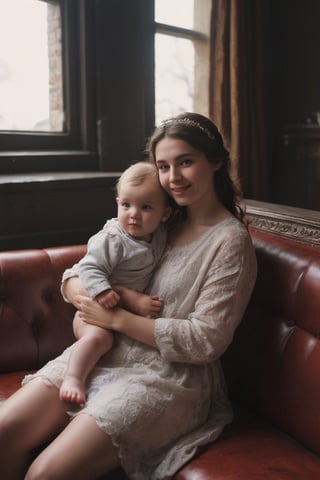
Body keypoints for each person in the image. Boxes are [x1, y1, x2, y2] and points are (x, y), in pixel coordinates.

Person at [0, 112, 257, 480]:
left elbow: (206, 341)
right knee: (3, 432)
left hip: (170, 376)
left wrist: (115, 318)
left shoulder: (230, 242)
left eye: (186, 162)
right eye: (164, 165)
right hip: (104, 351)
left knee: (46, 474)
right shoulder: (159, 217)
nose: (173, 177)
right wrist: (77, 289)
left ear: (216, 161)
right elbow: (86, 268)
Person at [60, 161, 172, 406]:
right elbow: (89, 267)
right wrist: (102, 290)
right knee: (99, 340)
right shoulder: (114, 238)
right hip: (95, 309)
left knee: (111, 344)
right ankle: (73, 378)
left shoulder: (158, 235)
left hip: (120, 314)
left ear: (165, 214)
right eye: (126, 205)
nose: (133, 214)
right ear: (117, 203)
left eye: (146, 207)